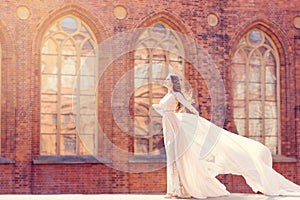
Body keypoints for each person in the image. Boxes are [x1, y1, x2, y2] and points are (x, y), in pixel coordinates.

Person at [152, 74, 300, 199]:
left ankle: (178, 190)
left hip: (174, 126)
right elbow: (164, 110)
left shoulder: (176, 95)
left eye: (167, 79)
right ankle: (173, 189)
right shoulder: (167, 95)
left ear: (172, 82)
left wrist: (196, 116)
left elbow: (188, 106)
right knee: (173, 157)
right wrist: (156, 107)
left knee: (178, 156)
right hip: (169, 125)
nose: (165, 81)